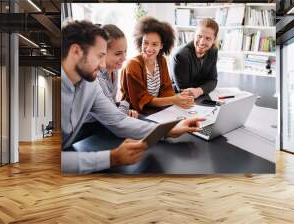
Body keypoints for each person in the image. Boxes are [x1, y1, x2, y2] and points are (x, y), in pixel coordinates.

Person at [61, 20, 203, 173]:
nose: (103, 65)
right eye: (99, 56)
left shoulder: (91, 85)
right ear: (76, 52)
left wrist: (169, 130)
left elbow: (118, 120)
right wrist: (111, 158)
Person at [121, 16, 194, 114]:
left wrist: (181, 98)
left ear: (161, 46)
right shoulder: (133, 65)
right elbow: (142, 101)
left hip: (157, 111)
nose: (149, 48)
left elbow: (166, 90)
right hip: (136, 113)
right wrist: (174, 99)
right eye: (145, 43)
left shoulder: (161, 60)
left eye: (154, 44)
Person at [171, 18, 219, 99]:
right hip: (178, 97)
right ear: (194, 35)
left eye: (208, 38)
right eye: (199, 36)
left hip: (200, 95)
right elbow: (184, 90)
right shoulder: (181, 56)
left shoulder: (213, 51)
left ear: (214, 40)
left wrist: (199, 90)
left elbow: (213, 81)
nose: (202, 42)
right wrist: (204, 86)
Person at [97, 24, 138, 118]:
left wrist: (124, 110)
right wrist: (125, 104)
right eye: (118, 54)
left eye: (125, 51)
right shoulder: (97, 77)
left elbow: (112, 107)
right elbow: (113, 116)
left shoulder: (114, 70)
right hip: (90, 127)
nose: (124, 58)